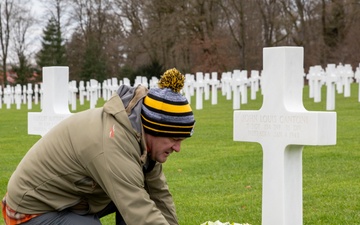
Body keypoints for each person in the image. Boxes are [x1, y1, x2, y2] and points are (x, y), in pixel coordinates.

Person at [2, 68, 195, 225]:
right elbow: (140, 212)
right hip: (31, 209)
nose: (177, 148)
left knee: (142, 194)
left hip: (71, 199)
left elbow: (159, 196)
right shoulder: (113, 142)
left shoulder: (142, 141)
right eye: (174, 139)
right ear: (154, 129)